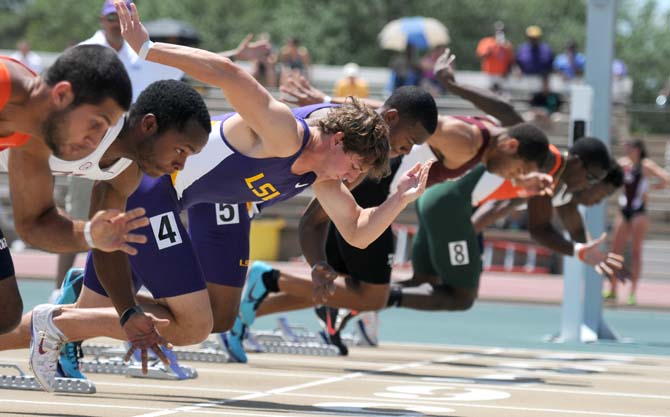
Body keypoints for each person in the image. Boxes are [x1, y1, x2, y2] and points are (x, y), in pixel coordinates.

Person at [15, 0, 432, 390]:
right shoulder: (285, 134)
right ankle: (64, 323)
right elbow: (230, 76)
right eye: (355, 168)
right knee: (189, 322)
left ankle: (67, 319)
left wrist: (400, 199)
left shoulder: (323, 173)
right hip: (156, 185)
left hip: (211, 202)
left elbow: (357, 231)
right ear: (338, 141)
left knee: (209, 317)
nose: (352, 178)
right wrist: (148, 48)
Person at [0, 44, 141, 336]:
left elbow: (35, 223)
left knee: (5, 310)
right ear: (62, 95)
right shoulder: (3, 84)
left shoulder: (34, 137)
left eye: (103, 132)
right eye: (95, 124)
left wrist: (91, 234)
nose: (93, 142)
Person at [607, 139, 670, 305]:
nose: (627, 150)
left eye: (630, 148)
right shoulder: (623, 164)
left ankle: (632, 292)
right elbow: (609, 175)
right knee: (615, 251)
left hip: (638, 212)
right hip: (624, 209)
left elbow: (665, 178)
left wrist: (651, 188)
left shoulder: (645, 165)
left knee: (635, 252)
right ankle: (612, 289)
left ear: (638, 149)